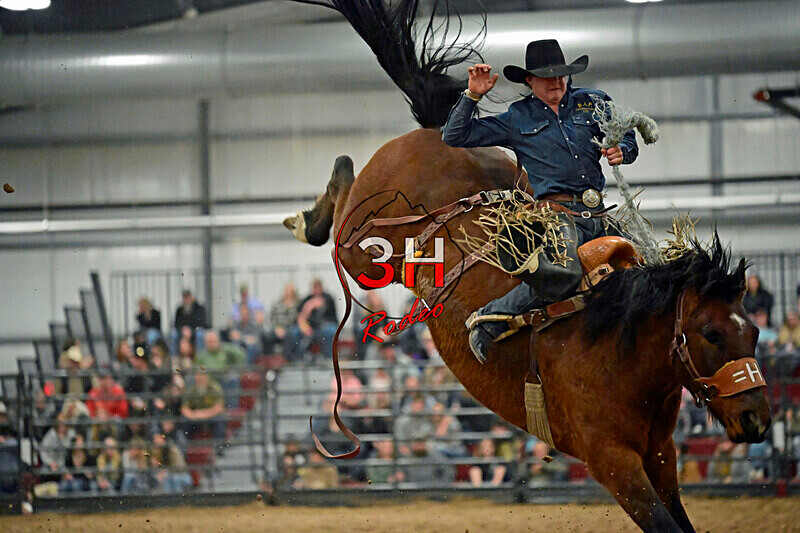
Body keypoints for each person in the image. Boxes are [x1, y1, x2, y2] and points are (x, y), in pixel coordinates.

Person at [441, 39, 639, 363]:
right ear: (529, 81)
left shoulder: (594, 102)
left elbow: (625, 128)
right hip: (556, 215)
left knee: (641, 265)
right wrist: (472, 95)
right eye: (547, 76)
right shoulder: (517, 117)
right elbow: (455, 135)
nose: (556, 81)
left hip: (599, 211)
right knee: (562, 273)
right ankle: (489, 320)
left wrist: (623, 150)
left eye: (560, 74)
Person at [287, 278, 338, 361]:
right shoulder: (307, 299)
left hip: (325, 325)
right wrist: (309, 306)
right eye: (314, 287)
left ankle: (329, 358)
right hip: (309, 326)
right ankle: (297, 359)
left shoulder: (328, 298)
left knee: (329, 331)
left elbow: (332, 317)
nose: (316, 290)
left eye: (318, 287)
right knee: (294, 332)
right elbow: (300, 316)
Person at [181, 370, 227, 456]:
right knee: (185, 421)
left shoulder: (215, 388)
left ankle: (219, 447)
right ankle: (187, 447)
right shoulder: (192, 390)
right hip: (195, 416)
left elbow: (219, 407)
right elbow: (184, 408)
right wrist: (192, 415)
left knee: (220, 419)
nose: (199, 381)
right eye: (197, 379)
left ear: (207, 378)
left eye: (201, 379)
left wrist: (202, 414)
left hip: (210, 415)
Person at [265, 283, 299, 356]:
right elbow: (272, 318)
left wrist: (290, 307)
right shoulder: (277, 304)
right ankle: (268, 358)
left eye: (290, 292)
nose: (287, 294)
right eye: (286, 291)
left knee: (289, 336)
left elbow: (294, 320)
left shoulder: (296, 305)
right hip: (277, 328)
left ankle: (286, 359)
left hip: (289, 328)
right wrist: (276, 328)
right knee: (267, 336)